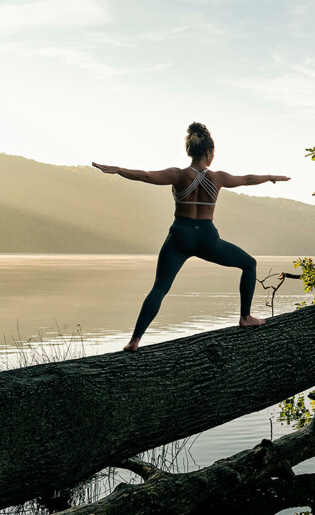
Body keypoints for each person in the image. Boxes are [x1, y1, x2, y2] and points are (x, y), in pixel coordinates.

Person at [93, 122, 289, 351]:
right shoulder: (218, 178)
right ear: (208, 152)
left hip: (180, 236)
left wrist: (118, 169)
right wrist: (269, 177)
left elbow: (146, 176)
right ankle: (245, 317)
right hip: (207, 238)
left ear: (190, 151)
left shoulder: (178, 175)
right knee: (249, 264)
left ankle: (134, 340)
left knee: (160, 288)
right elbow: (246, 179)